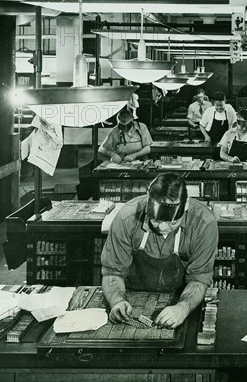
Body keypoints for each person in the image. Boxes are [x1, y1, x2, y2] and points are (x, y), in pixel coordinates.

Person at [101, 173, 218, 329]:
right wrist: (117, 301)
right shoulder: (126, 218)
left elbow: (200, 277)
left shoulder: (204, 223)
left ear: (186, 207)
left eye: (172, 222)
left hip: (181, 297)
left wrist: (182, 308)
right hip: (130, 295)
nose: (162, 228)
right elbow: (112, 272)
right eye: (155, 220)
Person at [199, 92, 237, 159]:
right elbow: (201, 125)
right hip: (212, 141)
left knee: (226, 158)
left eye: (221, 105)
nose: (219, 108)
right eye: (217, 105)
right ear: (214, 103)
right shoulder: (209, 111)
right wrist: (207, 137)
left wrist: (231, 135)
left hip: (226, 141)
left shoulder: (230, 109)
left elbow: (235, 123)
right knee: (214, 159)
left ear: (225, 102)